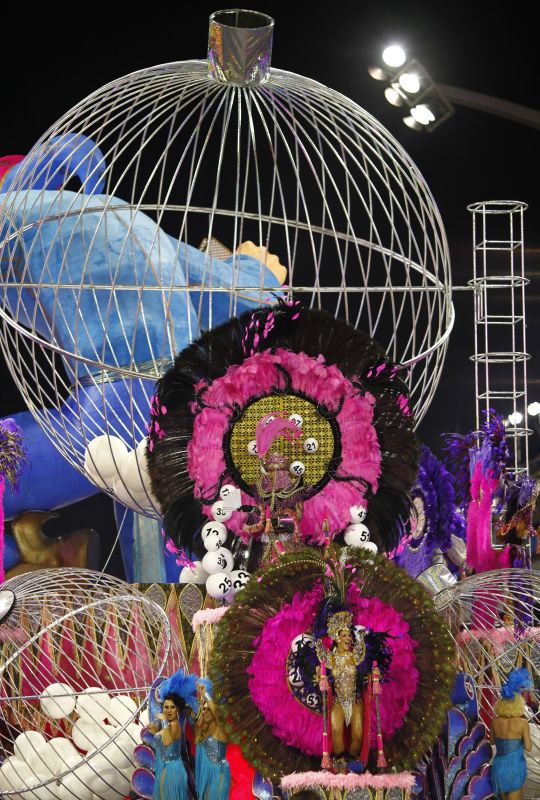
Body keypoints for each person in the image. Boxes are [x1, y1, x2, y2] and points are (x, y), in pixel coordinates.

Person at [316, 610, 367, 770]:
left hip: (354, 700)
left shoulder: (355, 655)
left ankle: (353, 764)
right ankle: (339, 766)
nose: (349, 638)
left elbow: (366, 673)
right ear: (337, 638)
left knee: (358, 734)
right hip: (338, 701)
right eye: (345, 635)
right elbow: (322, 676)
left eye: (350, 635)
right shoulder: (330, 658)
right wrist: (319, 677)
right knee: (336, 730)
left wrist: (374, 676)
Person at [490, 668, 533, 800]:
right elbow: (528, 747)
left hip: (498, 768)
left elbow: (492, 742)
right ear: (519, 704)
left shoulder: (494, 722)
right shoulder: (522, 723)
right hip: (515, 768)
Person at [195, 694, 231, 800]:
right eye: (204, 709)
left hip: (218, 775)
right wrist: (201, 710)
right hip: (205, 776)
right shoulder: (203, 732)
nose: (205, 711)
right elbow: (197, 726)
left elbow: (218, 715)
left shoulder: (221, 730)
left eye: (209, 709)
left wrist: (205, 694)